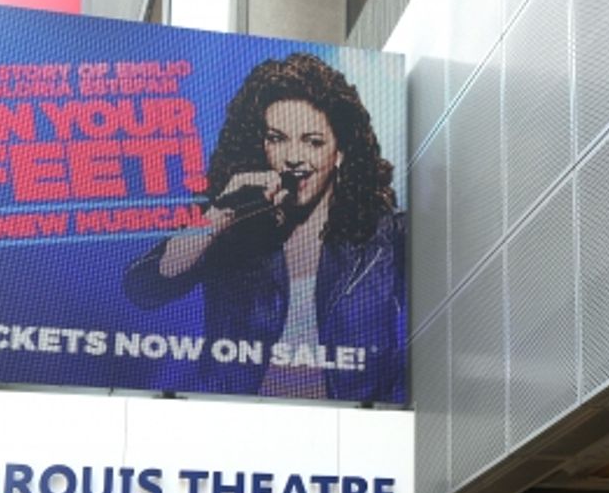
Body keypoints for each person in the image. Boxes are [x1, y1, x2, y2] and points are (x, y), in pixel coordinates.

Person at [124, 53, 405, 402]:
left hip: (352, 432)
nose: (293, 156)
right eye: (277, 138)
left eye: (312, 142)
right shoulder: (232, 225)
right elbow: (145, 287)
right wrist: (220, 214)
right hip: (240, 428)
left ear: (340, 152)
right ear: (260, 144)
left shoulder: (384, 236)